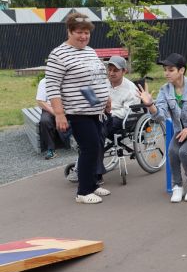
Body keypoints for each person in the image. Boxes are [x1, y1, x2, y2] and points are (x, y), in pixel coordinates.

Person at [45, 13, 111, 204]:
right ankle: (82, 192)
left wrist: (106, 98)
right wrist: (59, 113)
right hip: (77, 111)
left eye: (87, 33)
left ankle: (92, 185)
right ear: (69, 31)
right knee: (89, 148)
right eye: (79, 33)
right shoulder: (58, 54)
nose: (83, 37)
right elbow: (52, 86)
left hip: (96, 111)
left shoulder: (90, 51)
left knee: (96, 147)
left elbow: (99, 77)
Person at [138, 53, 187, 203]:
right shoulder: (164, 90)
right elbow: (160, 116)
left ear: (182, 70)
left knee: (184, 151)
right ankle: (177, 186)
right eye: (165, 69)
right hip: (180, 132)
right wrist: (150, 105)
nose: (166, 73)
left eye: (171, 70)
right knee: (172, 151)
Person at [104, 56, 141, 140]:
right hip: (104, 115)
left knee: (100, 126)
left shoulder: (131, 89)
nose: (111, 73)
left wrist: (109, 113)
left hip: (121, 118)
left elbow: (127, 112)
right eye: (109, 69)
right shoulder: (104, 84)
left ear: (124, 71)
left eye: (115, 70)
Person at [36, 77, 72, 159]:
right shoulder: (44, 81)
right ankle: (51, 149)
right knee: (45, 121)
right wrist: (57, 114)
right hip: (50, 108)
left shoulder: (70, 79)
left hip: (69, 108)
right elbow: (40, 101)